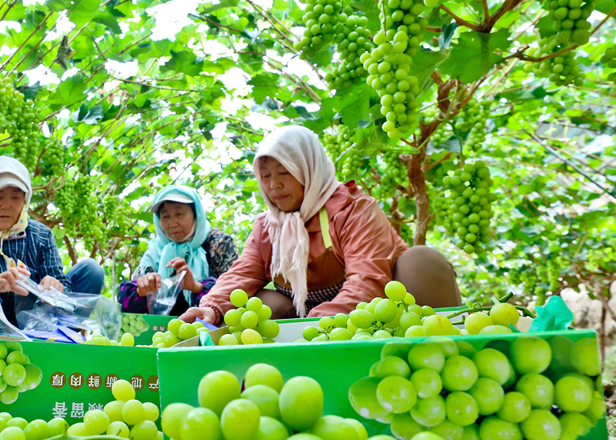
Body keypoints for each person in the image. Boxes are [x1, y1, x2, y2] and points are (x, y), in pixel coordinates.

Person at [181, 125, 461, 325]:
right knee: (260, 304)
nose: (274, 185)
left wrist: (317, 324)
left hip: (377, 317)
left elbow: (368, 279)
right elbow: (243, 273)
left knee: (421, 261)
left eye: (284, 172)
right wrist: (212, 307)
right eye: (265, 176)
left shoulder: (353, 209)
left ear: (309, 169)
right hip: (315, 325)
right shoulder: (268, 226)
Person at [0, 155, 105, 325]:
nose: (6, 205)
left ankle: (52, 336)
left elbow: (61, 282)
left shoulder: (41, 235)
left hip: (36, 325)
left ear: (25, 200)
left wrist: (56, 286)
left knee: (92, 270)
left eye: (15, 197)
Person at [117, 185, 238, 316]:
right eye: (165, 216)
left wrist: (197, 287)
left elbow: (234, 293)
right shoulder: (155, 251)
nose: (172, 223)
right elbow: (124, 304)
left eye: (179, 214)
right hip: (162, 327)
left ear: (196, 214)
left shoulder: (219, 244)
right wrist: (141, 290)